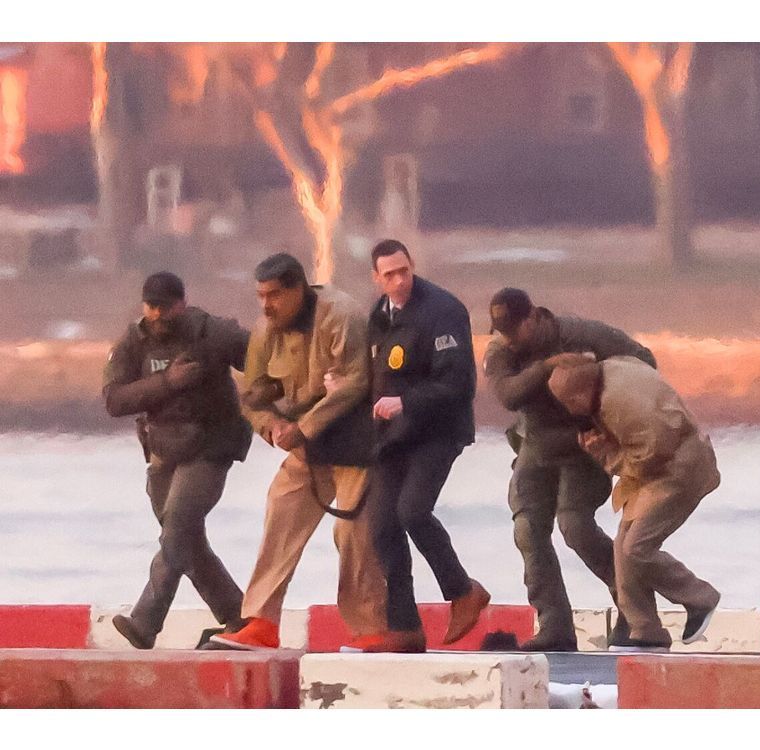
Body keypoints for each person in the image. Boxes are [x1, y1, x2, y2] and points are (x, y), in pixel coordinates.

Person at [211, 253, 387, 650]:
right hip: (306, 449)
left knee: (353, 533)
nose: (266, 305)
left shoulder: (341, 315)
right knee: (281, 510)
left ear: (297, 289)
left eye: (273, 295)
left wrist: (302, 427)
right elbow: (250, 395)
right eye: (260, 296)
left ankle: (370, 628)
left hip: (356, 442)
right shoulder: (266, 330)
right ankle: (261, 622)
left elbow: (355, 382)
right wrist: (271, 427)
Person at [484, 288, 658, 651]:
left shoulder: (582, 336)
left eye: (515, 330)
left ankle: (633, 607)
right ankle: (554, 624)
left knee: (575, 527)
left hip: (584, 445)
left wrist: (608, 408)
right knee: (527, 530)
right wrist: (548, 366)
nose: (509, 340)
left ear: (532, 317)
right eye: (503, 332)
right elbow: (508, 394)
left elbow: (644, 362)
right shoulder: (501, 350)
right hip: (535, 445)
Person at [103, 271, 251, 649]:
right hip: (164, 450)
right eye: (150, 306)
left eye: (164, 307)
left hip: (210, 447)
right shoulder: (134, 342)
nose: (156, 314)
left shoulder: (209, 332)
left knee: (178, 528)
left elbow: (262, 357)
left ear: (181, 304)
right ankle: (239, 618)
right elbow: (114, 400)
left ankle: (145, 622)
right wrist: (168, 382)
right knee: (188, 544)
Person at [362, 239, 490, 653]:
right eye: (390, 275)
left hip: (438, 429)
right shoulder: (380, 315)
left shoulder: (443, 310)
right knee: (382, 527)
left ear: (412, 266)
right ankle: (404, 629)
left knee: (413, 511)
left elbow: (458, 383)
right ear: (377, 279)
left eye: (404, 270)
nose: (399, 280)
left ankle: (462, 591)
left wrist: (405, 402)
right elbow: (378, 370)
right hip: (394, 437)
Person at [548, 355, 722, 652]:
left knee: (637, 547)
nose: (569, 412)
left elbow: (651, 453)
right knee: (622, 546)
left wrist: (604, 453)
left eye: (568, 404)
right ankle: (645, 629)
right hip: (663, 466)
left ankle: (699, 597)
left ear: (579, 395)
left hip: (680, 468)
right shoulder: (613, 369)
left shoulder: (619, 405)